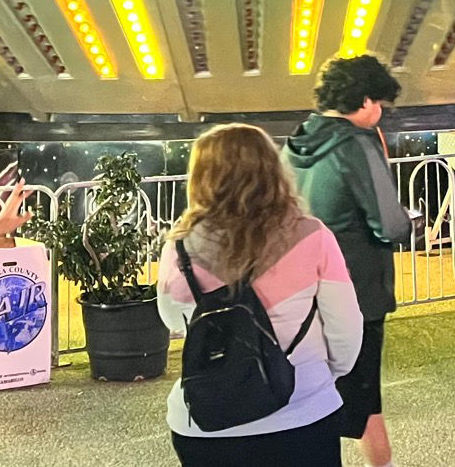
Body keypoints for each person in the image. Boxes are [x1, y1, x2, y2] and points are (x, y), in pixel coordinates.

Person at [163, 125, 363, 466]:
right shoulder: (312, 235)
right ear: (272, 170)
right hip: (303, 416)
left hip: (206, 423)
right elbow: (346, 330)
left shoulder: (179, 245)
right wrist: (322, 376)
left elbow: (172, 318)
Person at [284, 55, 414, 467]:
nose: (380, 114)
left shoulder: (294, 144)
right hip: (356, 293)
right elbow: (390, 225)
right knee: (363, 399)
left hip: (301, 293)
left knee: (312, 399)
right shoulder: (356, 145)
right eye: (379, 104)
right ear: (363, 101)